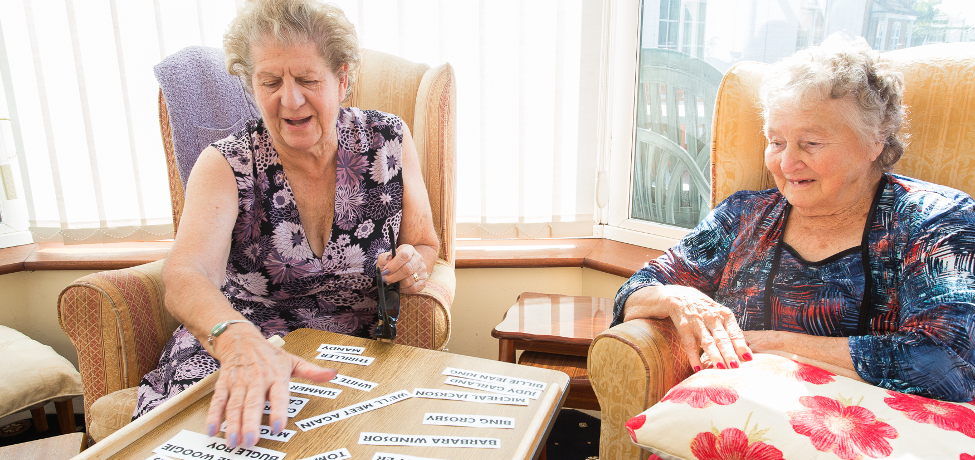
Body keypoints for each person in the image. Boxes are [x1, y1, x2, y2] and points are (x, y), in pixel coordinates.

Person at [134, 0, 439, 449]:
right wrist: (235, 340)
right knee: (203, 446)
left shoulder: (388, 140)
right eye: (270, 82)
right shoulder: (226, 162)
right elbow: (185, 274)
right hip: (241, 345)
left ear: (342, 79)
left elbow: (425, 243)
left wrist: (413, 265)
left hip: (347, 349)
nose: (290, 100)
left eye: (308, 80)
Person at [612, 34, 975, 402]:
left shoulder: (935, 220)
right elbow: (637, 290)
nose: (786, 164)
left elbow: (947, 361)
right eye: (776, 142)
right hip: (732, 419)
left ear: (875, 141)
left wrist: (772, 344)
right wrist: (680, 300)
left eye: (811, 143)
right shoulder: (744, 215)